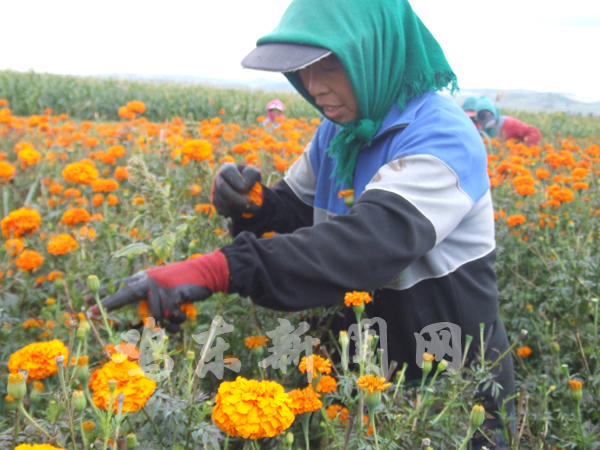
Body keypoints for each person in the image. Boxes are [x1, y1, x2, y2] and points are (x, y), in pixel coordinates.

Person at [94, 0, 515, 446]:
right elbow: (294, 209)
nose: (313, 87)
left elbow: (365, 248)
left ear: (373, 53)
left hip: (449, 389)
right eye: (303, 70)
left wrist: (218, 269)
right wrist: (251, 204)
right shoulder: (343, 129)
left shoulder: (442, 138)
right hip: (360, 378)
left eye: (329, 66)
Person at [476, 96, 542, 146]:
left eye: (488, 114)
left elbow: (534, 132)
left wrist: (521, 148)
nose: (486, 118)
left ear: (494, 112)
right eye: (481, 116)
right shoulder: (479, 128)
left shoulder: (509, 124)